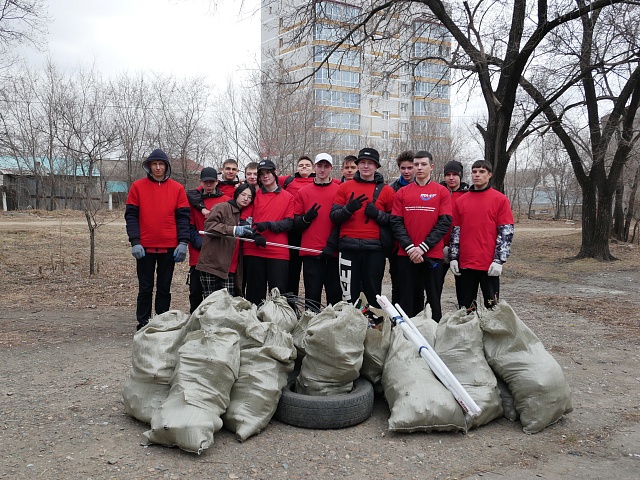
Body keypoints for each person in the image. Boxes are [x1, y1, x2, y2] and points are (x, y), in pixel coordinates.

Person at [125, 148, 190, 331]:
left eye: (161, 164)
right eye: (154, 164)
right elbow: (131, 216)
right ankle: (143, 324)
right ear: (149, 166)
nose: (158, 168)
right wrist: (135, 241)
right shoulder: (137, 187)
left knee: (164, 288)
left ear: (166, 166)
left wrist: (183, 242)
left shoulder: (177, 189)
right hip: (144, 248)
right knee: (145, 288)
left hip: (169, 248)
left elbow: (183, 217)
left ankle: (161, 323)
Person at [390, 151, 452, 320]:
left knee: (433, 300)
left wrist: (423, 247)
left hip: (432, 255)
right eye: (416, 164)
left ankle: (433, 338)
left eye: (423, 164)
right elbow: (396, 222)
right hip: (406, 254)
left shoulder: (442, 192)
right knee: (406, 299)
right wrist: (410, 248)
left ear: (431, 167)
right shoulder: (402, 192)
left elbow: (444, 223)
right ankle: (405, 338)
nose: (419, 168)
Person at [330, 147, 395, 308]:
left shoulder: (387, 190)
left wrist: (377, 214)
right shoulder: (344, 187)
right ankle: (349, 325)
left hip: (374, 249)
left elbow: (394, 221)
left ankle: (372, 326)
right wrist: (348, 209)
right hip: (348, 247)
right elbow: (334, 217)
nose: (366, 166)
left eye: (370, 163)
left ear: (376, 166)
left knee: (373, 293)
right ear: (358, 165)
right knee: (348, 295)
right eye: (363, 163)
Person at [449, 160, 514, 311]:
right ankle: (468, 333)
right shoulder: (461, 201)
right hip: (465, 263)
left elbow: (506, 232)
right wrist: (453, 257)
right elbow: (455, 231)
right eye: (474, 171)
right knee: (466, 309)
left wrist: (499, 260)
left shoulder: (500, 200)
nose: (477, 175)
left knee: (492, 308)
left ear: (489, 175)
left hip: (489, 264)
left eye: (482, 172)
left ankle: (491, 334)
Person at [293, 153, 342, 311]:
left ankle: (333, 328)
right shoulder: (303, 192)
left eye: (326, 166)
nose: (322, 169)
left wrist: (332, 244)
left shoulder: (340, 190)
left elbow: (343, 220)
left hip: (333, 251)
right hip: (311, 251)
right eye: (319, 166)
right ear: (314, 167)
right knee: (312, 296)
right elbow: (296, 224)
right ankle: (311, 328)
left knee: (334, 295)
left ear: (331, 168)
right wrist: (306, 219)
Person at [242, 159, 295, 306]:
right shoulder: (254, 195)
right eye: (262, 174)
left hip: (278, 251)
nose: (265, 176)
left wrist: (270, 225)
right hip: (254, 250)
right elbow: (245, 220)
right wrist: (254, 235)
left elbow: (289, 222)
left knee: (278, 295)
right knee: (254, 295)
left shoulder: (288, 197)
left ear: (275, 173)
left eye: (268, 172)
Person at [196, 183, 258, 297]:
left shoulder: (244, 214)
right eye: (243, 194)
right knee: (211, 302)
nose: (246, 198)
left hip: (231, 266)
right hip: (212, 264)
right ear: (237, 194)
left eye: (249, 197)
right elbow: (209, 226)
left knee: (228, 303)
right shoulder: (222, 207)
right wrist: (233, 230)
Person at [185, 167, 229, 313]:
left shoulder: (225, 201)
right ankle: (195, 321)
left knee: (217, 294)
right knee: (196, 292)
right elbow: (189, 226)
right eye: (206, 182)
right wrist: (199, 243)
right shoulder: (194, 201)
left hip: (218, 253)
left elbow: (228, 226)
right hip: (199, 252)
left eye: (211, 182)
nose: (209, 185)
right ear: (201, 182)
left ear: (217, 182)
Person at [279, 155, 316, 301]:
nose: (304, 167)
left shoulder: (318, 181)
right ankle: (291, 305)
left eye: (307, 165)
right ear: (297, 168)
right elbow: (266, 178)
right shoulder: (288, 181)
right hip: (292, 232)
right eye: (301, 165)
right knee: (292, 272)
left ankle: (311, 306)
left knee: (311, 275)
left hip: (311, 233)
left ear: (313, 168)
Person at [387, 150, 415, 305]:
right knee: (397, 284)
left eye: (410, 168)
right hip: (397, 246)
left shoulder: (424, 188)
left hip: (419, 244)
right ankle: (396, 319)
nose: (406, 171)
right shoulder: (392, 188)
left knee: (417, 286)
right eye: (403, 168)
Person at [438, 160, 469, 293]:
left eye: (455, 174)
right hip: (438, 248)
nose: (451, 178)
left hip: (461, 249)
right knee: (434, 287)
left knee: (464, 289)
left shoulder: (468, 195)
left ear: (460, 176)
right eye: (448, 174)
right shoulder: (438, 192)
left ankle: (465, 312)